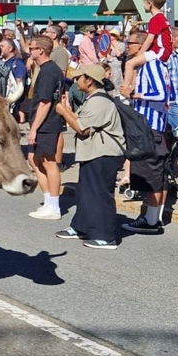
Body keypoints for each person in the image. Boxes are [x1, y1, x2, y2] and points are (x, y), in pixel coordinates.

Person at [54, 65, 126, 249]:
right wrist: (67, 108)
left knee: (100, 194)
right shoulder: (92, 99)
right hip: (94, 153)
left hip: (104, 154)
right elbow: (80, 120)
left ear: (89, 80)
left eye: (79, 77)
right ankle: (81, 227)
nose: (76, 80)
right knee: (86, 192)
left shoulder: (100, 101)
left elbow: (82, 129)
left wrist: (62, 112)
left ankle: (106, 237)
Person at [121, 30, 171, 235]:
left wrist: (134, 94)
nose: (127, 47)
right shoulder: (150, 65)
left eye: (130, 43)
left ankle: (151, 221)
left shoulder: (152, 64)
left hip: (150, 127)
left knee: (151, 174)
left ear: (142, 45)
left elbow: (161, 94)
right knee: (153, 174)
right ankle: (152, 217)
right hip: (151, 125)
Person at [26, 36, 66, 220]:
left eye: (32, 48)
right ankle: (48, 200)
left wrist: (34, 128)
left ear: (41, 50)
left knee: (50, 163)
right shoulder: (46, 70)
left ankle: (54, 206)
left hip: (47, 123)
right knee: (34, 160)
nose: (30, 51)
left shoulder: (50, 71)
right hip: (45, 123)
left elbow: (45, 102)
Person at [121, 0, 172, 95]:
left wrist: (139, 54)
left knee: (129, 63)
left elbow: (149, 40)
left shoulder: (156, 19)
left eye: (144, 3)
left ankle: (124, 90)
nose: (143, 6)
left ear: (149, 3)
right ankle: (132, 88)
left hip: (159, 51)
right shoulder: (162, 18)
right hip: (162, 51)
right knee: (136, 67)